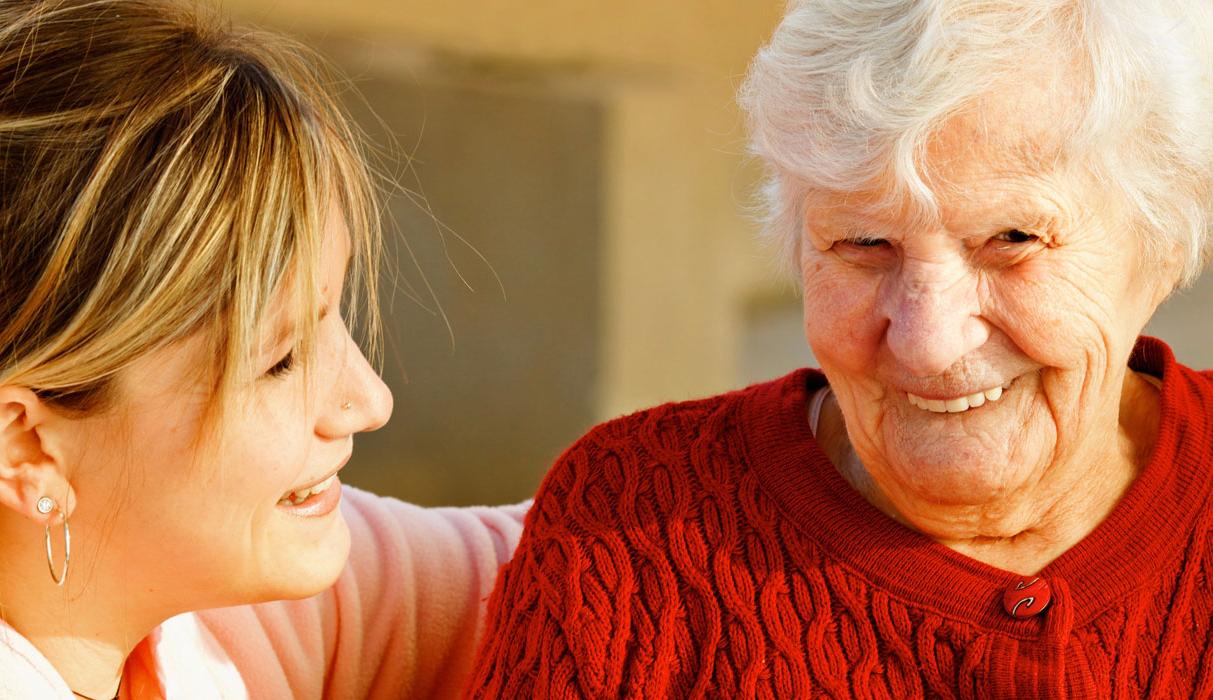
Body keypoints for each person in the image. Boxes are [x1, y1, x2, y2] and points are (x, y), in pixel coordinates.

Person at [467, 1, 1213, 697]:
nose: (926, 342)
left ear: (1163, 240)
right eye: (862, 243)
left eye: (1011, 240)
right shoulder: (632, 523)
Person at [0, 1, 524, 698]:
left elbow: (589, 548)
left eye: (337, 316)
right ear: (26, 447)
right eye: (279, 361)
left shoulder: (225, 606)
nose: (368, 400)